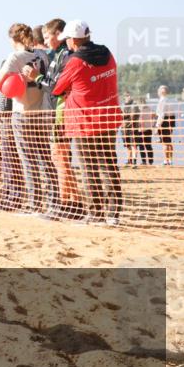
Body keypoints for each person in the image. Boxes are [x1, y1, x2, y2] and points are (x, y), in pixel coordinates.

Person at [51, 20, 122, 224]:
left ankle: (95, 214)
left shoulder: (75, 61)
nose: (66, 43)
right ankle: (114, 214)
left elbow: (57, 88)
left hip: (85, 122)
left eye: (67, 40)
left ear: (73, 40)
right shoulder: (107, 53)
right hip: (108, 117)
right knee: (109, 165)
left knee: (89, 168)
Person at [0, 23, 55, 215]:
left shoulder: (15, 57)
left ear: (14, 39)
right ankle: (53, 202)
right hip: (41, 112)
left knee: (28, 160)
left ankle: (36, 204)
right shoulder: (42, 54)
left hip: (23, 112)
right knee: (46, 158)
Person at [22, 18, 77, 215]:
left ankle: (66, 201)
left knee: (59, 157)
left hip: (60, 112)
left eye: (47, 37)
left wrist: (36, 77)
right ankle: (73, 199)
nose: (45, 41)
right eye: (43, 37)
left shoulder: (65, 55)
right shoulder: (58, 54)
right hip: (56, 111)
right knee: (60, 157)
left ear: (59, 34)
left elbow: (55, 87)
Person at [156, 85, 176, 166]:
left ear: (161, 92)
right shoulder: (169, 100)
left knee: (165, 142)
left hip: (164, 121)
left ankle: (166, 160)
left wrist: (157, 125)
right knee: (168, 141)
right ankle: (170, 160)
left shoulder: (162, 100)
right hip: (170, 120)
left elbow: (161, 114)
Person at [122, 97, 141, 167]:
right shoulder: (124, 106)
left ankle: (134, 162)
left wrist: (126, 116)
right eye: (126, 97)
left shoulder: (134, 106)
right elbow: (121, 116)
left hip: (133, 128)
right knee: (127, 145)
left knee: (134, 145)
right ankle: (129, 160)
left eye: (128, 96)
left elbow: (133, 116)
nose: (127, 98)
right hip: (124, 129)